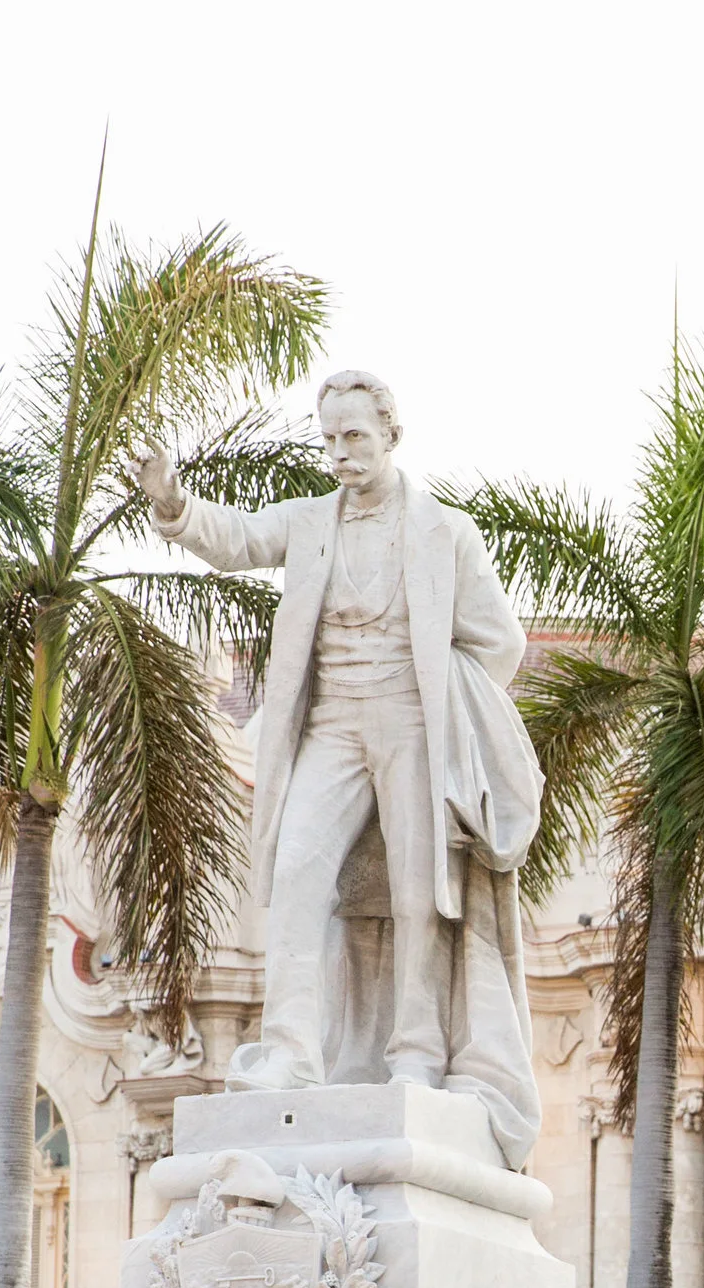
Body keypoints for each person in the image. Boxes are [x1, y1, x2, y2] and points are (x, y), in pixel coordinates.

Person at [137, 374, 542, 1147]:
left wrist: (446, 695)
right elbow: (239, 540)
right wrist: (175, 505)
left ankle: (416, 1054)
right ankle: (292, 1050)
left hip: (412, 726)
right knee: (295, 876)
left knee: (420, 892)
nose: (339, 453)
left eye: (354, 435)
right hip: (329, 726)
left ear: (391, 433)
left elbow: (502, 642)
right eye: (327, 438)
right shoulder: (310, 522)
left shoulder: (444, 532)